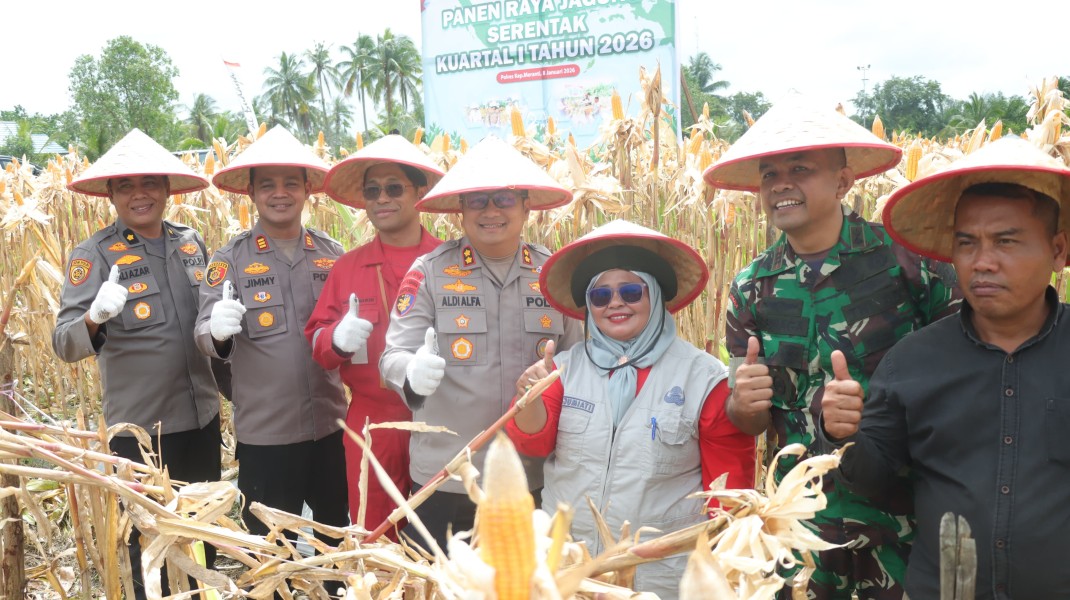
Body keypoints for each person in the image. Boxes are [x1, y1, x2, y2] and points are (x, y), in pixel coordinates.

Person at [702, 94, 962, 599]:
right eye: (769, 174)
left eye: (800, 169)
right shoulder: (752, 286)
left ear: (843, 181)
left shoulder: (909, 264)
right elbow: (751, 419)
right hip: (798, 530)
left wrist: (882, 412)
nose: (781, 184)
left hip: (901, 521)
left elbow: (966, 376)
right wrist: (743, 402)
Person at [820, 137, 1070, 599]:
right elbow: (871, 479)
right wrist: (842, 434)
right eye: (967, 243)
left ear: (1058, 250)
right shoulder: (912, 361)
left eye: (1006, 242)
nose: (983, 262)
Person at [505, 220, 756, 599]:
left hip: (662, 579)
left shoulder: (705, 379)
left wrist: (725, 573)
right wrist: (529, 396)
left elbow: (729, 491)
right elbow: (533, 444)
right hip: (570, 571)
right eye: (601, 296)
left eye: (630, 291)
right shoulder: (561, 370)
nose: (616, 303)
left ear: (654, 295)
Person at [379, 136, 583, 549]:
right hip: (447, 476)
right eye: (477, 201)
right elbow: (392, 357)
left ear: (527, 206)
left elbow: (582, 361)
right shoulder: (430, 271)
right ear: (460, 211)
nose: (490, 211)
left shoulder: (554, 273)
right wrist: (412, 374)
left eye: (504, 199)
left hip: (529, 477)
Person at [52, 128, 226, 598]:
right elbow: (64, 344)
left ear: (167, 189)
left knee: (204, 534)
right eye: (125, 186)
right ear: (110, 195)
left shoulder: (191, 244)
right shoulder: (94, 255)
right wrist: (94, 316)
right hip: (141, 434)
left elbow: (210, 323)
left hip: (201, 418)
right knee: (147, 547)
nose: (140, 194)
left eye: (150, 182)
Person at [194, 126, 348, 539]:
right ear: (251, 194)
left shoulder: (333, 256)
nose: (280, 194)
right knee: (271, 552)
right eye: (268, 186)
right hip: (267, 437)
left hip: (331, 428)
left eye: (290, 184)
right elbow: (204, 332)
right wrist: (219, 330)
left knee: (337, 541)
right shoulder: (230, 259)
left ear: (306, 191)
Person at [305, 135, 444, 534]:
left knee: (435, 537)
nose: (382, 198)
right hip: (373, 422)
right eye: (373, 190)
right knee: (375, 538)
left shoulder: (447, 261)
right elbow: (317, 343)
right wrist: (336, 339)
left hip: (439, 420)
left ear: (419, 192)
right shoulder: (348, 267)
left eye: (394, 188)